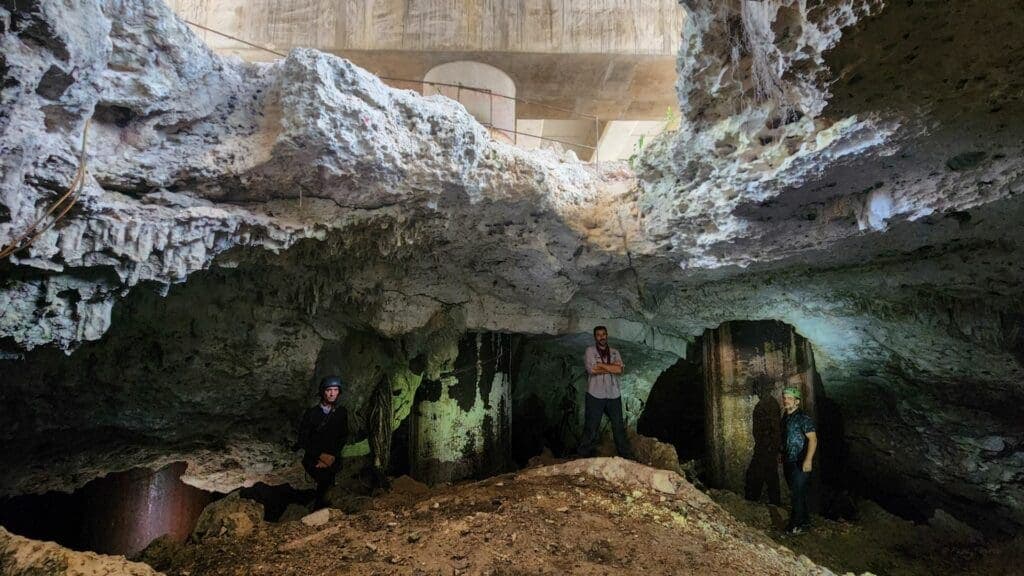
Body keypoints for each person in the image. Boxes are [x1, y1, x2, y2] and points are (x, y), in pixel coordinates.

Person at [577, 326, 634, 459]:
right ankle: (583, 454)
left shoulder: (614, 352)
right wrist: (611, 368)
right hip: (595, 394)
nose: (601, 337)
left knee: (618, 425)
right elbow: (592, 370)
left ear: (607, 335)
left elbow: (619, 370)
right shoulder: (590, 351)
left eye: (603, 334)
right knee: (591, 425)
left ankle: (625, 454)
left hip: (613, 394)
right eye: (598, 335)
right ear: (595, 337)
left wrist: (601, 365)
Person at [296, 375, 349, 509]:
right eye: (329, 390)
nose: (332, 393)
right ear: (322, 392)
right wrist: (321, 456)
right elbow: (303, 440)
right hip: (314, 457)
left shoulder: (341, 413)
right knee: (325, 481)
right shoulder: (312, 414)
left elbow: (343, 436)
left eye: (335, 390)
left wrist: (331, 456)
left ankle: (324, 510)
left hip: (332, 457)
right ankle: (319, 511)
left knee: (328, 482)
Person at [780, 386, 817, 534]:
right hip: (789, 460)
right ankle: (805, 521)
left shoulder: (803, 418)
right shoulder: (786, 417)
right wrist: (781, 453)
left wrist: (808, 460)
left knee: (797, 494)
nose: (786, 400)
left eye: (789, 398)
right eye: (784, 397)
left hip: (801, 461)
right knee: (797, 492)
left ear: (797, 401)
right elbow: (785, 438)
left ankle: (795, 526)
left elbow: (813, 440)